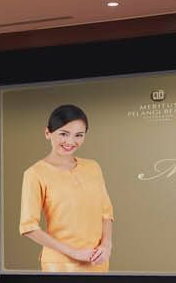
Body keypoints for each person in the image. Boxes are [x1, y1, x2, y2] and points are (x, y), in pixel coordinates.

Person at [18, 104, 114, 273]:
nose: (70, 141)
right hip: (59, 265)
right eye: (63, 134)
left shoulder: (93, 167)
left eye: (79, 135)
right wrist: (74, 253)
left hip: (97, 262)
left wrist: (106, 245)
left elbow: (106, 212)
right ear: (48, 133)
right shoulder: (35, 174)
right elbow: (28, 227)